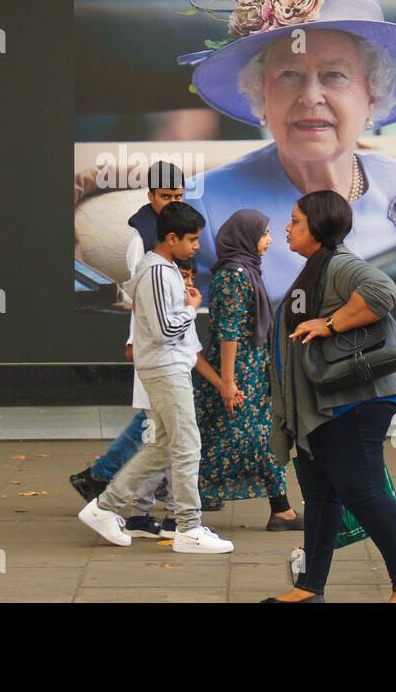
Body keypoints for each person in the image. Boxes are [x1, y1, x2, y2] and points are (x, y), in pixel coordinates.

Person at [178, 0, 396, 304]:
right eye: (289, 74)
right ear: (261, 95)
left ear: (373, 96)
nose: (309, 96)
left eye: (335, 75)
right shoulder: (204, 210)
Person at [265, 189, 396, 603]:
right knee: (321, 495)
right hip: (322, 408)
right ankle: (309, 588)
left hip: (352, 403)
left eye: (296, 221)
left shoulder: (340, 264)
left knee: (364, 491)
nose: (288, 227)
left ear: (318, 226)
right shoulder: (316, 270)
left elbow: (381, 291)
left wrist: (330, 323)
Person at [78, 202, 235, 554]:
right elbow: (166, 330)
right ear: (171, 237)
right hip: (167, 367)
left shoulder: (159, 270)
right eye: (192, 240)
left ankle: (105, 507)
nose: (196, 246)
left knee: (164, 445)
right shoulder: (158, 272)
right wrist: (192, 309)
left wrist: (185, 306)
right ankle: (189, 527)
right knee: (186, 445)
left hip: (165, 367)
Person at [70, 161, 186, 504]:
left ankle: (111, 479)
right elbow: (142, 297)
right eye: (166, 196)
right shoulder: (142, 238)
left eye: (179, 195)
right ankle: (109, 480)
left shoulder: (177, 227)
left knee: (160, 415)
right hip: (155, 339)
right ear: (150, 196)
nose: (173, 202)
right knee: (158, 416)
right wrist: (135, 341)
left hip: (171, 336)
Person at [193, 208, 301, 529]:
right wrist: (228, 381)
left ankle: (189, 499)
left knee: (229, 437)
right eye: (263, 234)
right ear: (246, 237)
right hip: (238, 370)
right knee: (251, 438)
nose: (268, 240)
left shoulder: (246, 270)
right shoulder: (233, 275)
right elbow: (229, 332)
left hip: (250, 369)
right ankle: (280, 509)